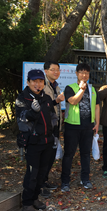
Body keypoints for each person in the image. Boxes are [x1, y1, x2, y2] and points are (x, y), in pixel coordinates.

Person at [15, 69, 57, 211]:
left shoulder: (45, 98)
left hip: (47, 141)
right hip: (33, 143)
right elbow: (22, 119)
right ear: (28, 82)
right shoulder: (22, 98)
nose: (37, 84)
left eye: (40, 81)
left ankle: (34, 198)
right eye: (34, 81)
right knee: (32, 174)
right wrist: (32, 112)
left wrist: (54, 134)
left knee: (42, 173)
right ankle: (26, 204)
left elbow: (52, 117)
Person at [61, 63, 100, 191]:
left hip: (88, 127)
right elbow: (72, 101)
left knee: (85, 154)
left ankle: (85, 179)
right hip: (72, 126)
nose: (84, 75)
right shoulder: (69, 88)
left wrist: (97, 123)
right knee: (69, 154)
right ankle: (65, 182)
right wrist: (82, 89)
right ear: (76, 73)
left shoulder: (92, 89)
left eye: (87, 73)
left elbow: (96, 106)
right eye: (82, 72)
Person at [42, 61, 65, 193]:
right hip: (45, 127)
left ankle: (44, 180)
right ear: (46, 71)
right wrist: (56, 101)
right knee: (44, 155)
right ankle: (40, 184)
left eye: (57, 70)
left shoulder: (55, 86)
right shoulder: (43, 85)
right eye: (52, 69)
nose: (55, 72)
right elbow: (43, 106)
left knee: (50, 155)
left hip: (54, 126)